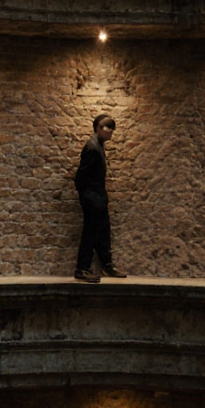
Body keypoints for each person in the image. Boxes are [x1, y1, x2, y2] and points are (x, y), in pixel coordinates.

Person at [73, 113, 126, 283]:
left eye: (112, 128)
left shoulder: (98, 145)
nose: (111, 131)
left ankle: (107, 265)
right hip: (93, 199)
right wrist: (89, 198)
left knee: (103, 231)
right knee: (91, 232)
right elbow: (80, 177)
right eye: (107, 127)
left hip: (98, 198)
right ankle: (82, 269)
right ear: (98, 128)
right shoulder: (92, 147)